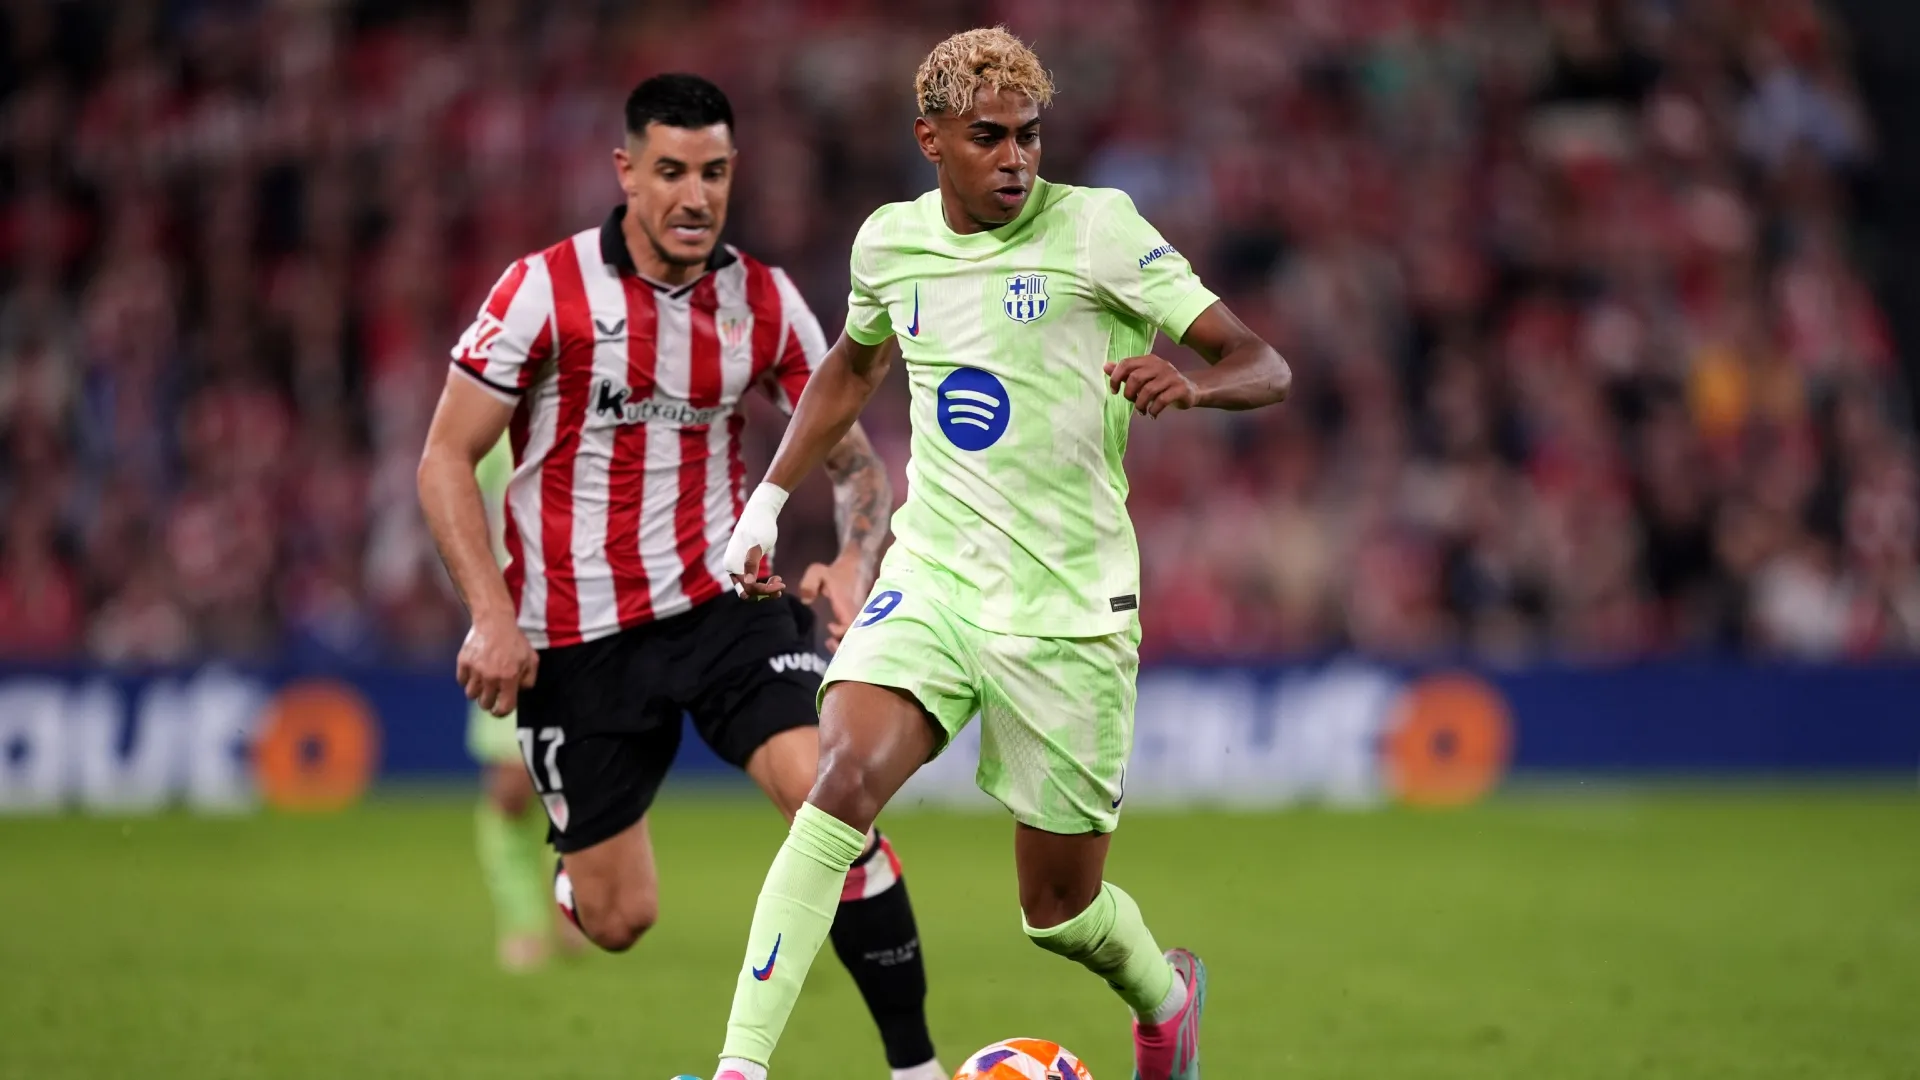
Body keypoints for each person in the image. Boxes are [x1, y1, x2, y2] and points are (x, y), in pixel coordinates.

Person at [701, 28, 1292, 1080]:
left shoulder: (1099, 229)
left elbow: (1262, 361)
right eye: (989, 138)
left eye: (1029, 135)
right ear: (931, 139)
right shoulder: (891, 244)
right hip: (935, 577)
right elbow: (852, 368)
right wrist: (768, 501)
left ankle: (1167, 1000)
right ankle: (739, 1069)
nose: (1016, 158)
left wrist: (1196, 386)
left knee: (1058, 910)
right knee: (836, 787)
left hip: (1069, 605)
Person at [417, 74, 944, 1080]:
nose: (694, 196)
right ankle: (576, 872)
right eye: (670, 172)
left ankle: (916, 1068)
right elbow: (445, 457)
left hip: (723, 609)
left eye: (713, 173)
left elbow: (858, 466)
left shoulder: (765, 302)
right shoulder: (543, 291)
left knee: (834, 803)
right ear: (627, 172)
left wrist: (854, 558)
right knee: (618, 919)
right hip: (576, 637)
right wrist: (490, 615)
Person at [466, 435, 586, 971]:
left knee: (575, 776)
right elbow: (455, 500)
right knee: (512, 787)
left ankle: (573, 898)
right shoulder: (491, 428)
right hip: (511, 618)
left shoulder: (585, 419)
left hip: (587, 615)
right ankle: (521, 921)